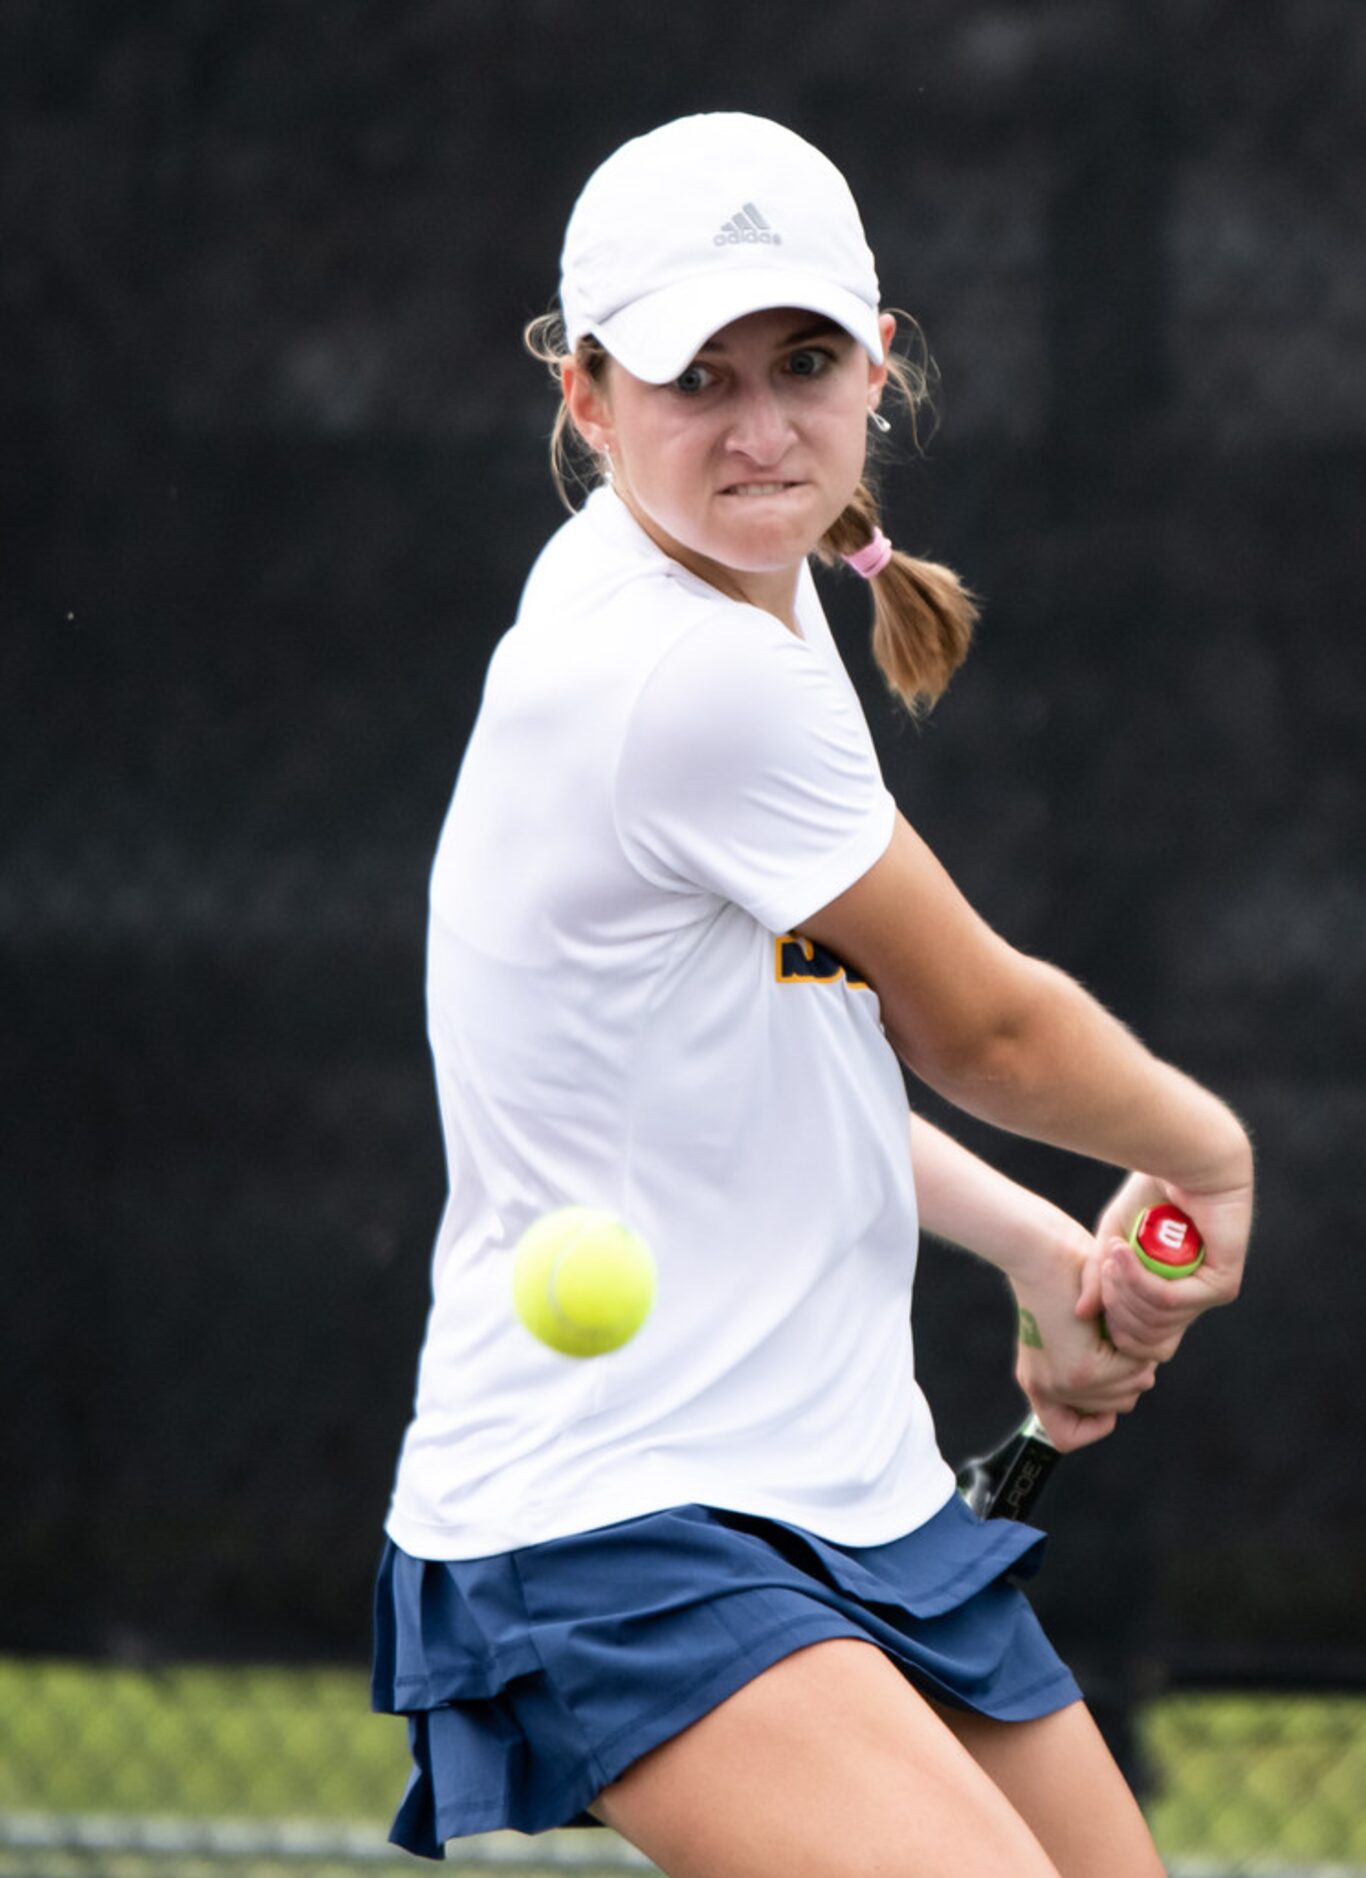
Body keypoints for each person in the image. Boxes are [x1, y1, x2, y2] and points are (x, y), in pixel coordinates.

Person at [371, 113, 1253, 1877]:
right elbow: (976, 1025)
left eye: (800, 362)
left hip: (838, 1479)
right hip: (619, 1506)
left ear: (881, 362)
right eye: (693, 378)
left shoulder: (746, 602)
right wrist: (1210, 1151)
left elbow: (791, 1042)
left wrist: (1027, 1241)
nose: (760, 427)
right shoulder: (683, 666)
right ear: (588, 401)